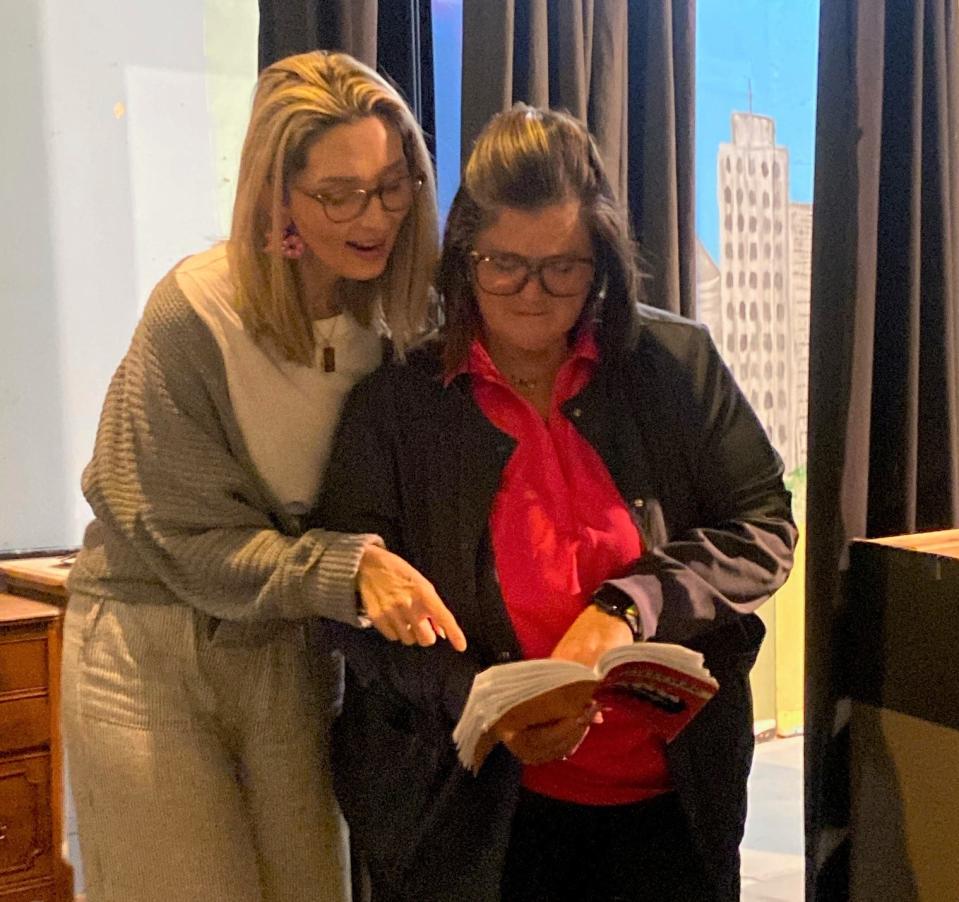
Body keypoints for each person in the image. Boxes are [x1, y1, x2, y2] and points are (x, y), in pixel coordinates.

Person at [316, 105, 798, 902]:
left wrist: (629, 605)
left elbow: (762, 526)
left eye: (563, 268)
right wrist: (473, 696)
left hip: (671, 804)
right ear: (462, 255)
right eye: (503, 264)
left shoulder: (672, 365)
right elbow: (348, 604)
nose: (531, 295)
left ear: (600, 261)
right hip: (470, 818)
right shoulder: (397, 406)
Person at [61, 50, 465, 902]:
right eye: (338, 193)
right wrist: (347, 566)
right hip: (150, 641)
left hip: (286, 643)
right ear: (277, 195)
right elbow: (180, 540)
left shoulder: (404, 320)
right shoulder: (197, 312)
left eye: (394, 184)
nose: (374, 215)